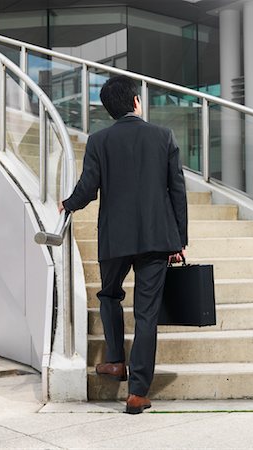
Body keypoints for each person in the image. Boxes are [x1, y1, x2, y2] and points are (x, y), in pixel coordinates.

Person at [60, 75, 188, 414]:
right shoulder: (163, 136)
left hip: (115, 237)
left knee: (109, 295)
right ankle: (137, 393)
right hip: (156, 238)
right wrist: (179, 240)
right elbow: (177, 192)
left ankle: (115, 360)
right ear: (135, 102)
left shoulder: (99, 140)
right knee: (146, 314)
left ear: (109, 109)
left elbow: (89, 186)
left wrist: (69, 203)